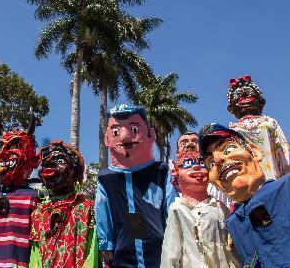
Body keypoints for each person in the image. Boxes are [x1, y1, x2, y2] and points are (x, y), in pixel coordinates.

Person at [200, 123, 290, 267]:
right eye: (211, 163)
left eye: (229, 149)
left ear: (255, 152)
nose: (218, 160)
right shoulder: (233, 223)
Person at [95, 104, 177, 268]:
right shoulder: (107, 178)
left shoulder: (160, 172)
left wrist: (175, 239)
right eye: (116, 132)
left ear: (151, 135)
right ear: (107, 139)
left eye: (134, 129)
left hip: (160, 253)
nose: (124, 137)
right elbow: (102, 211)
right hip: (122, 253)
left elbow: (172, 207)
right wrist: (105, 243)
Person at [161, 149, 240, 267]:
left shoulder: (220, 207)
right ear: (176, 173)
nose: (197, 167)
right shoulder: (177, 209)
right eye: (187, 164)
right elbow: (171, 250)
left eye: (202, 164)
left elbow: (233, 243)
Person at [0, 111, 39, 268]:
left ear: (33, 159)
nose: (5, 153)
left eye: (15, 147)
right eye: (2, 147)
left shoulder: (34, 198)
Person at [29, 141, 98, 268]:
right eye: (45, 163)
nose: (50, 165)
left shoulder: (86, 208)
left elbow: (91, 254)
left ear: (74, 172)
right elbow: (35, 259)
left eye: (60, 160)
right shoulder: (39, 213)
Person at [227, 75, 290, 180]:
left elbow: (282, 148)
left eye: (249, 93)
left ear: (261, 102)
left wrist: (286, 173)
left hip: (274, 174)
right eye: (237, 95)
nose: (243, 95)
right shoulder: (232, 130)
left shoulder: (270, 122)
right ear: (230, 109)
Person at [176, 132, 231, 207]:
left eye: (196, 142)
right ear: (177, 153)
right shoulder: (170, 186)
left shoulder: (219, 176)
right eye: (184, 143)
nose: (190, 144)